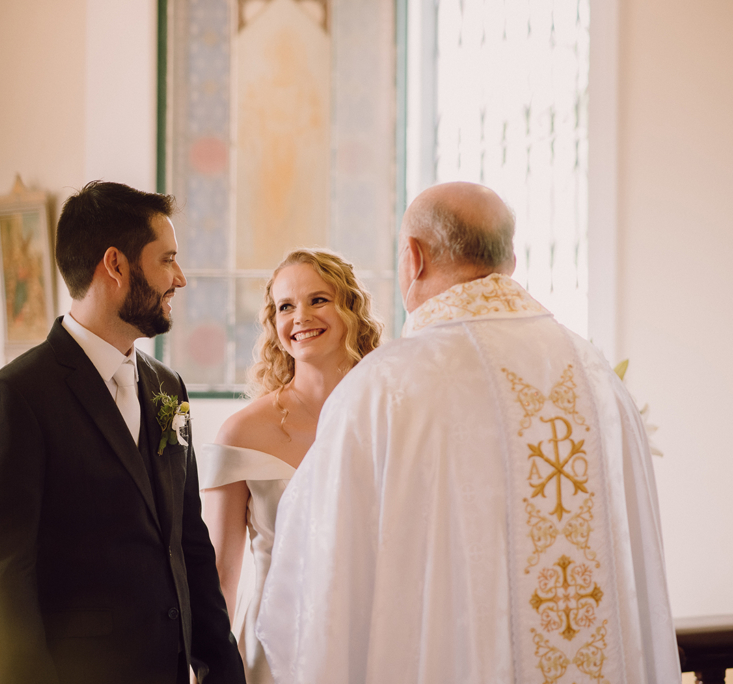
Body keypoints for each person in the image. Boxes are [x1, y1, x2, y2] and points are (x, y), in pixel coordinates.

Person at [256, 182, 681, 683]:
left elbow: (314, 589)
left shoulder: (384, 386)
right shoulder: (595, 376)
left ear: (412, 259)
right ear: (512, 260)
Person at [0, 181, 245, 684]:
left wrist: (222, 669)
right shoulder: (13, 399)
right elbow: (0, 585)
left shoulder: (167, 387)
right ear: (115, 265)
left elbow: (188, 542)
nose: (180, 278)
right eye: (167, 260)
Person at [200, 249, 382, 684]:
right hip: (272, 651)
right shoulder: (241, 433)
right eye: (286, 306)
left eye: (318, 300)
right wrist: (207, 670)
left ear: (350, 309)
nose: (300, 316)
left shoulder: (386, 417)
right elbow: (218, 576)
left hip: (370, 642)